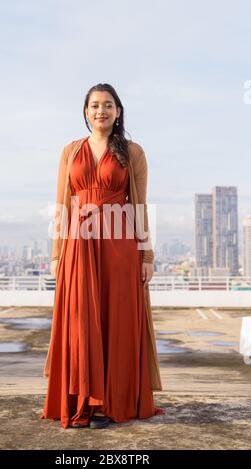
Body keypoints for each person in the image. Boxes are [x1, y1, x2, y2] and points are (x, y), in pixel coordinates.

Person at [40, 83, 165, 429]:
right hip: (79, 244)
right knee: (80, 321)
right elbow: (62, 203)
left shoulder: (133, 152)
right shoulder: (70, 151)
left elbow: (139, 207)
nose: (101, 111)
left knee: (118, 321)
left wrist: (147, 256)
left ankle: (111, 403)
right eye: (95, 105)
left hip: (120, 244)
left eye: (108, 105)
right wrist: (56, 253)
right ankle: (83, 399)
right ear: (85, 112)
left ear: (118, 111)